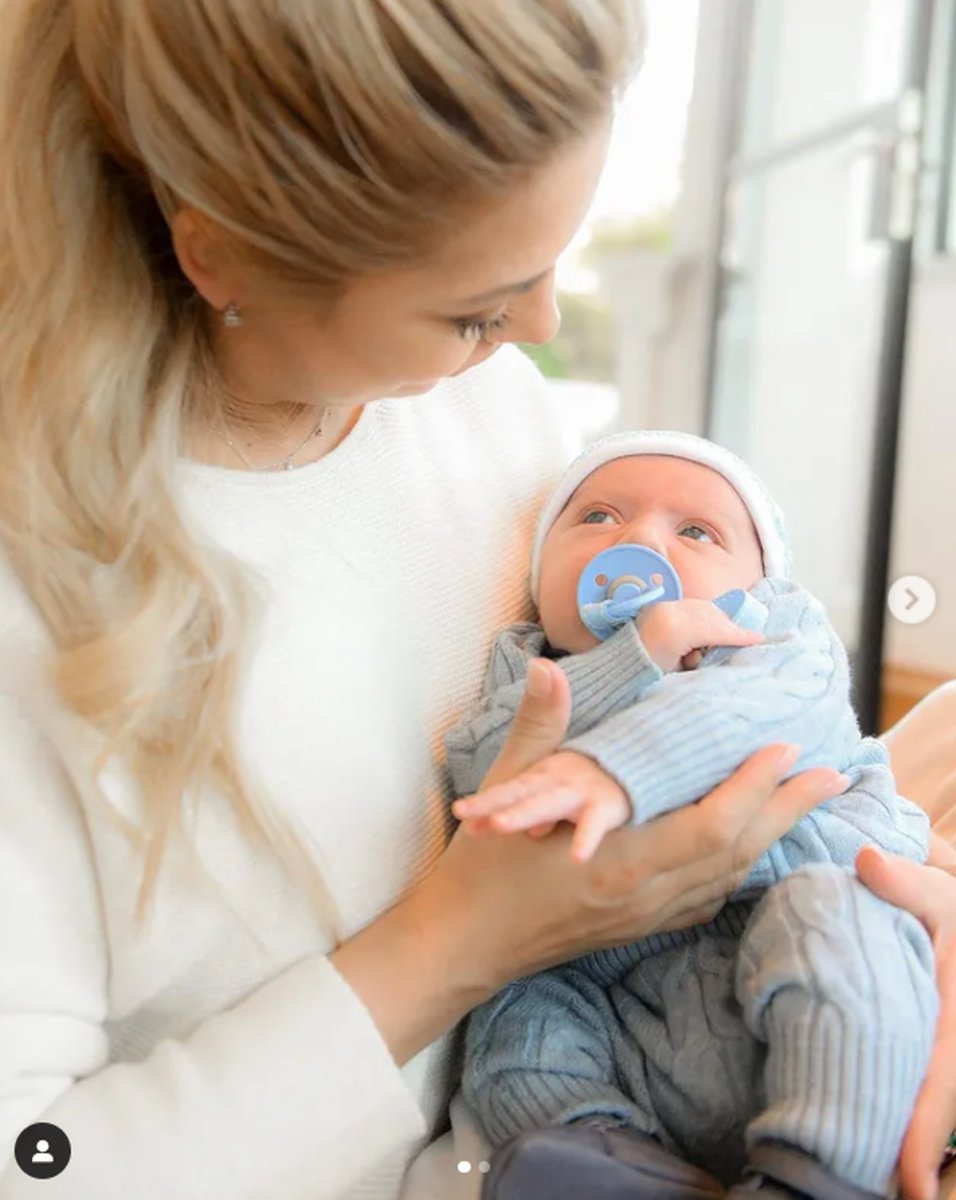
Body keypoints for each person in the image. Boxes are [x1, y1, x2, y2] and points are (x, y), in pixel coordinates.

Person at [0, 3, 948, 1200]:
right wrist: (462, 942)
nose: (539, 332)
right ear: (220, 255)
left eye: (552, 266)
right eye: (476, 306)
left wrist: (902, 919)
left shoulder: (482, 415)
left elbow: (736, 706)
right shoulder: (34, 599)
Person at [446, 431, 936, 1198]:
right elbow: (484, 771)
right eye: (600, 518)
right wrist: (630, 658)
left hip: (786, 909)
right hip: (617, 988)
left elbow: (760, 716)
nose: (640, 541)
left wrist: (613, 765)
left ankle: (824, 1167)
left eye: (696, 532)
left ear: (760, 582)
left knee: (838, 921)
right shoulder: (528, 671)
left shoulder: (781, 645)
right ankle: (599, 1151)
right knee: (513, 1010)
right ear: (541, 576)